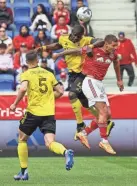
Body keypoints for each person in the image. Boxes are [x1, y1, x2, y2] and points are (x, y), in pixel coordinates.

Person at [38, 25, 115, 141]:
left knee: (72, 94)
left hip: (83, 72)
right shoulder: (63, 38)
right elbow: (58, 45)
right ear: (71, 33)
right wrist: (43, 48)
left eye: (78, 37)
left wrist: (91, 45)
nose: (76, 39)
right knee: (84, 103)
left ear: (82, 36)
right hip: (72, 74)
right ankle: (104, 121)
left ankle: (80, 125)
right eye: (74, 36)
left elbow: (102, 41)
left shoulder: (86, 40)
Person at [53, 35, 124, 154]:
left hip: (99, 84)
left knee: (108, 115)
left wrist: (119, 80)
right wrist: (59, 54)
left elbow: (116, 62)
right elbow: (76, 50)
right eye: (113, 45)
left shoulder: (113, 55)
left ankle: (83, 133)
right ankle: (104, 141)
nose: (115, 48)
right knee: (103, 112)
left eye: (116, 46)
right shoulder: (93, 50)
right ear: (106, 44)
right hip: (90, 81)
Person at [10, 50, 74, 181]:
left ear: (26, 62)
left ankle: (24, 172)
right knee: (50, 142)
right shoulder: (48, 73)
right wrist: (49, 98)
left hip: (33, 112)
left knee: (22, 139)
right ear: (38, 60)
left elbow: (22, 89)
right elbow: (61, 91)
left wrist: (15, 104)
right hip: (49, 113)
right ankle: (65, 152)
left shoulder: (26, 74)